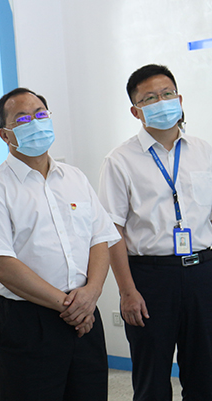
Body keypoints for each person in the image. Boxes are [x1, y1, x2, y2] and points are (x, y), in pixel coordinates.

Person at [0, 88, 120, 400]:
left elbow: (99, 238)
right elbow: (0, 263)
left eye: (40, 114)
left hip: (85, 310)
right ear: (5, 134)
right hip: (29, 318)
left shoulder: (74, 177)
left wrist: (91, 293)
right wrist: (69, 306)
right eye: (23, 118)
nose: (35, 122)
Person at [98, 64, 212, 400]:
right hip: (150, 278)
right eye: (149, 98)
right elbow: (112, 230)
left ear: (179, 98)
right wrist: (126, 291)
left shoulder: (204, 151)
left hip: (203, 273)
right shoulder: (120, 160)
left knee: (205, 375)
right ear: (136, 110)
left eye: (166, 94)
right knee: (152, 380)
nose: (161, 102)